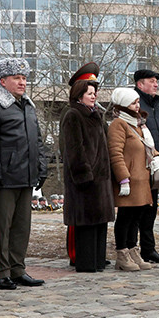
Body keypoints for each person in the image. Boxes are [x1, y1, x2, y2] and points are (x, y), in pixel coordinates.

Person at [0, 57, 47, 290]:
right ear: (3, 80)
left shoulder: (27, 105)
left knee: (21, 227)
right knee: (3, 228)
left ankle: (18, 269)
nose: (22, 82)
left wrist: (41, 166)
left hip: (26, 175)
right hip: (5, 176)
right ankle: (1, 272)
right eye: (16, 78)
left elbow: (37, 140)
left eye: (24, 78)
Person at [61, 63, 114, 273]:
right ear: (79, 94)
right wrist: (84, 175)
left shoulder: (95, 115)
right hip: (85, 181)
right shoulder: (74, 115)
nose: (93, 96)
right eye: (89, 93)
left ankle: (98, 260)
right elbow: (75, 149)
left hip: (100, 179)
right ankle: (86, 262)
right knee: (86, 224)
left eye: (94, 92)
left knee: (99, 223)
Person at [107, 87, 159, 271]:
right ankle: (122, 254)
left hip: (143, 181)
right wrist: (123, 178)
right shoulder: (119, 124)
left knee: (137, 218)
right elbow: (115, 154)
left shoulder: (139, 125)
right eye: (133, 102)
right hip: (130, 181)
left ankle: (132, 249)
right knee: (125, 217)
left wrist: (157, 157)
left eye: (138, 102)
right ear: (123, 105)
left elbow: (149, 147)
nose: (137, 106)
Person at [132, 69, 159, 264]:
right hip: (140, 168)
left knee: (151, 212)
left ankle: (148, 249)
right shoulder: (135, 104)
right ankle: (130, 250)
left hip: (156, 168)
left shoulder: (157, 105)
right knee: (136, 213)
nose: (156, 84)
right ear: (140, 85)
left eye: (157, 81)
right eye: (152, 81)